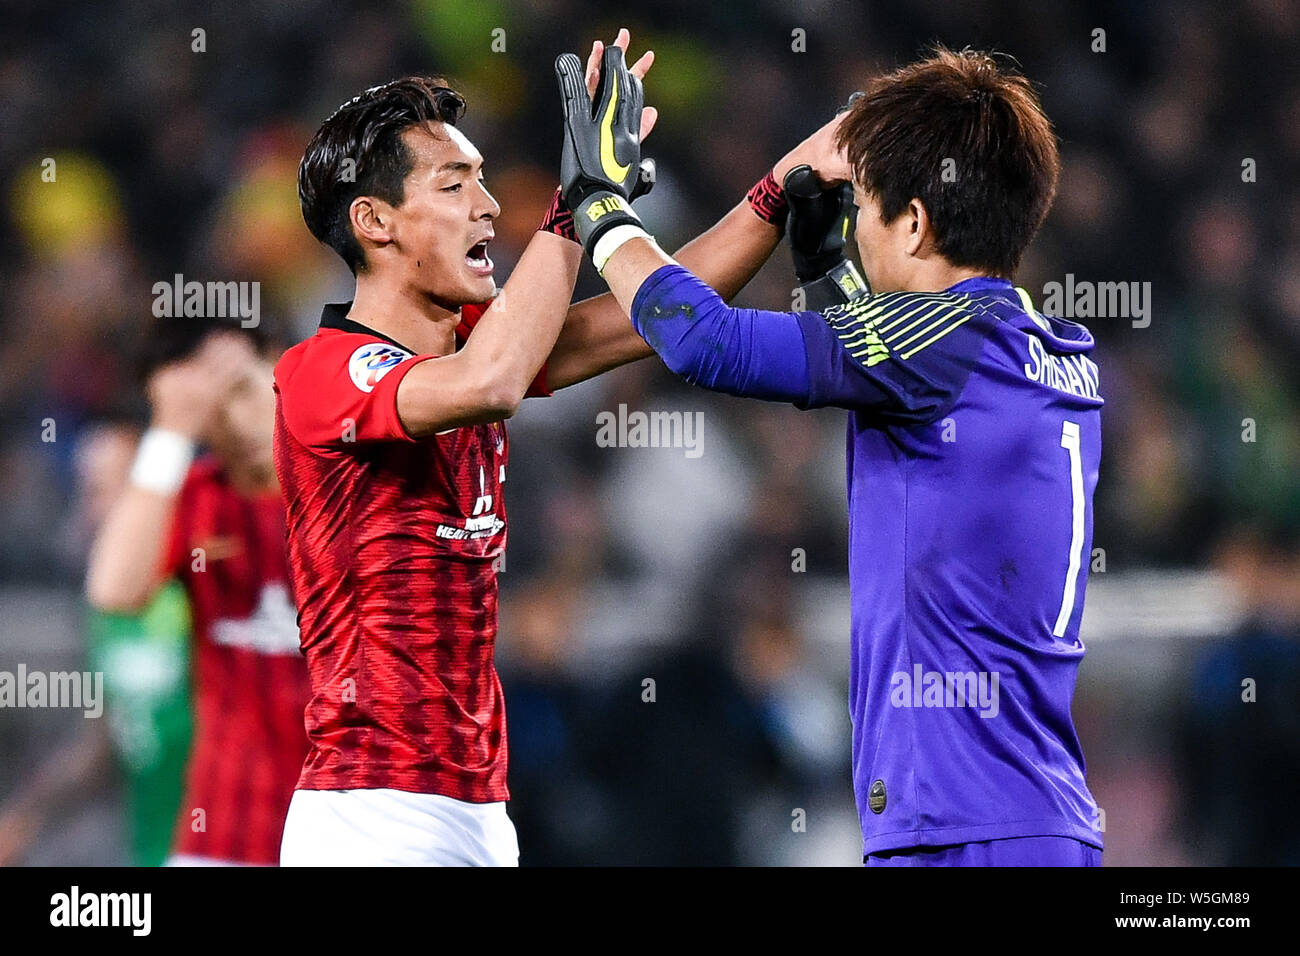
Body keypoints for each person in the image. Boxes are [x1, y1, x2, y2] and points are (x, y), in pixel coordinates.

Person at [273, 29, 841, 865]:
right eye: (454, 184)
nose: (487, 206)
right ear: (374, 222)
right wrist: (579, 202)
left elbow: (664, 311)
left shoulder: (476, 344)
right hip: (370, 814)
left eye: (484, 182)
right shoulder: (322, 372)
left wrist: (780, 186)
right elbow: (494, 381)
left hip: (475, 807)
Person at [571, 46, 1105, 866]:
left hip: (965, 832)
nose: (859, 228)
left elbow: (703, 343)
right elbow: (887, 370)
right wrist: (822, 259)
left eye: (871, 212)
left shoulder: (943, 341)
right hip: (1027, 818)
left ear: (919, 223)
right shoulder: (1049, 349)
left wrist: (603, 207)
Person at [86, 318, 310, 865]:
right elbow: (114, 591)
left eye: (241, 389)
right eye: (209, 405)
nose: (233, 421)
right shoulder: (195, 500)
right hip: (224, 838)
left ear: (285, 366)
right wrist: (169, 432)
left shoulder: (354, 486)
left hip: (359, 829)